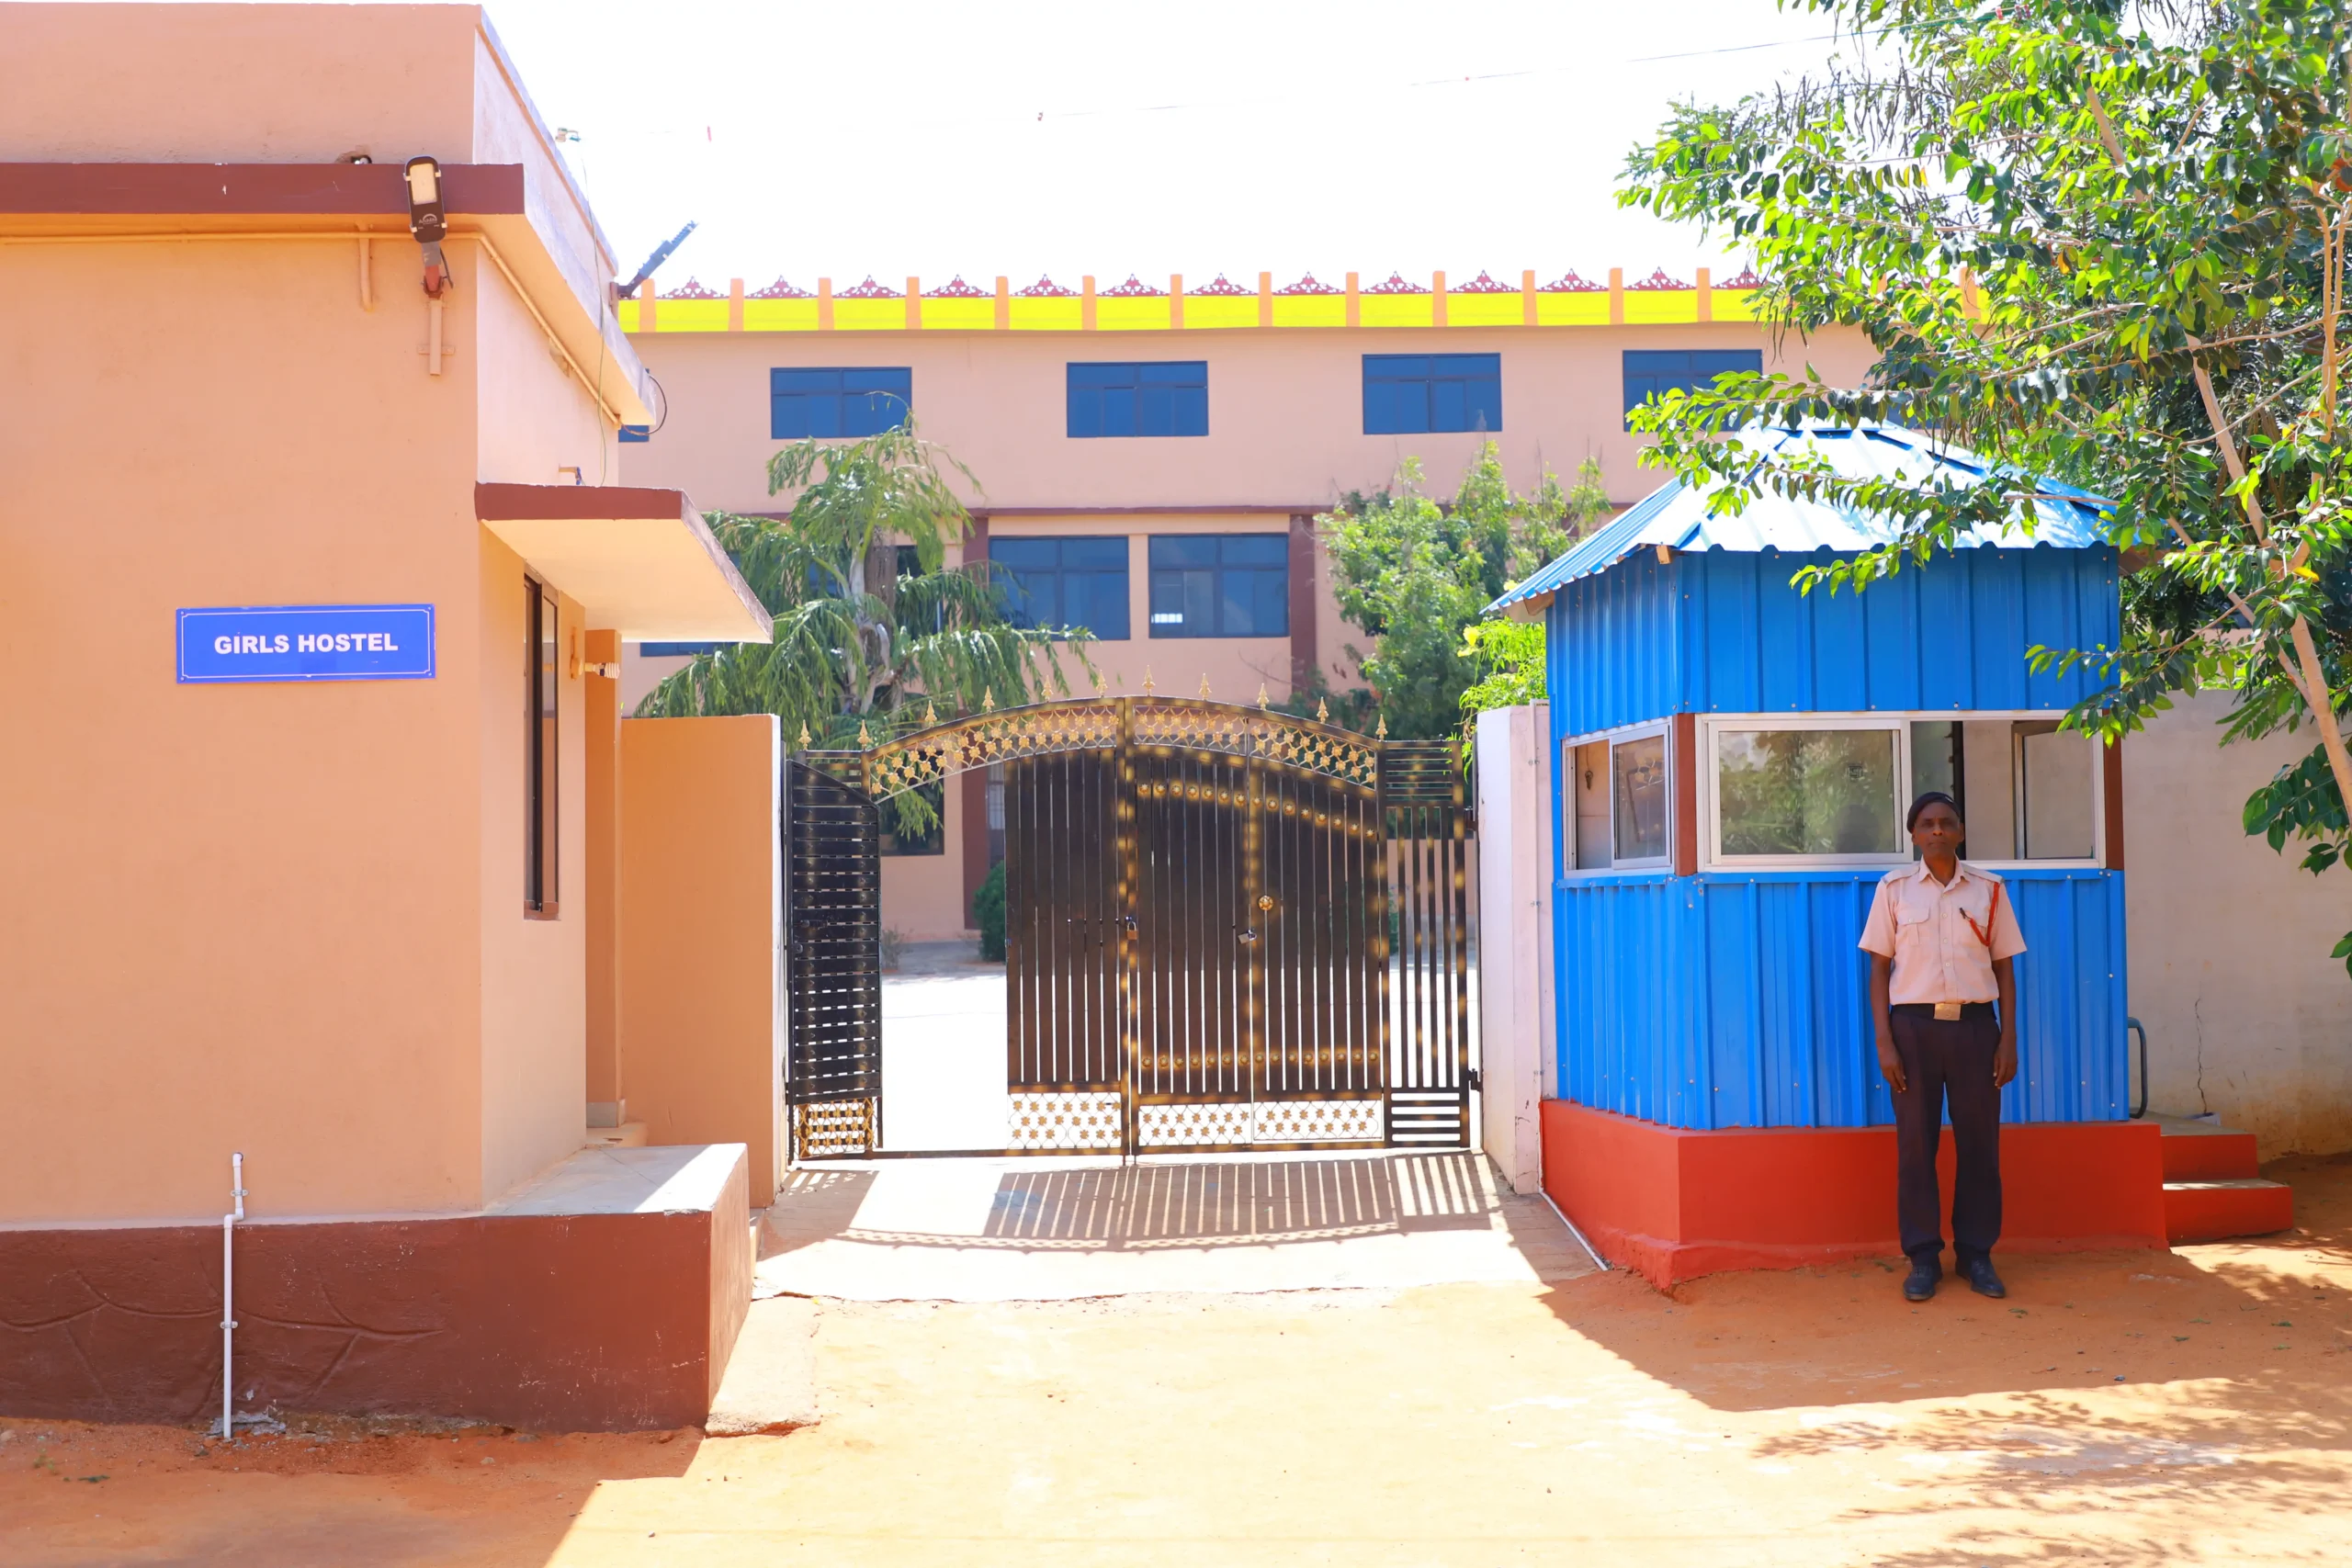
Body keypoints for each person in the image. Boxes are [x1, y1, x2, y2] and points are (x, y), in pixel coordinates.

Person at [1858, 791, 2026, 1303]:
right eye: (1927, 824)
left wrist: (2008, 1038)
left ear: (1960, 832)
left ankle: (1976, 1254)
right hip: (1913, 1032)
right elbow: (1879, 969)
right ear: (1913, 834)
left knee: (1980, 1145)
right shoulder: (1894, 890)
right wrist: (1885, 1043)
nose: (1937, 830)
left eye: (1946, 822)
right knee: (1916, 1146)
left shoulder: (1989, 889)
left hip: (1976, 1030)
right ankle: (1923, 1257)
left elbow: (2004, 968)